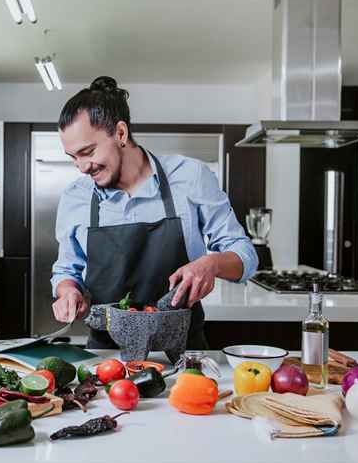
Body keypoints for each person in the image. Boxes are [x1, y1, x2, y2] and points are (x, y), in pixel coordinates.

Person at [50, 76, 258, 349]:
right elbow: (67, 270)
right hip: (106, 358)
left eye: (87, 152)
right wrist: (68, 292)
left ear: (121, 133)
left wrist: (212, 263)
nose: (81, 167)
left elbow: (245, 255)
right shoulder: (75, 197)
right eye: (73, 157)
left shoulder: (189, 177)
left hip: (183, 351)